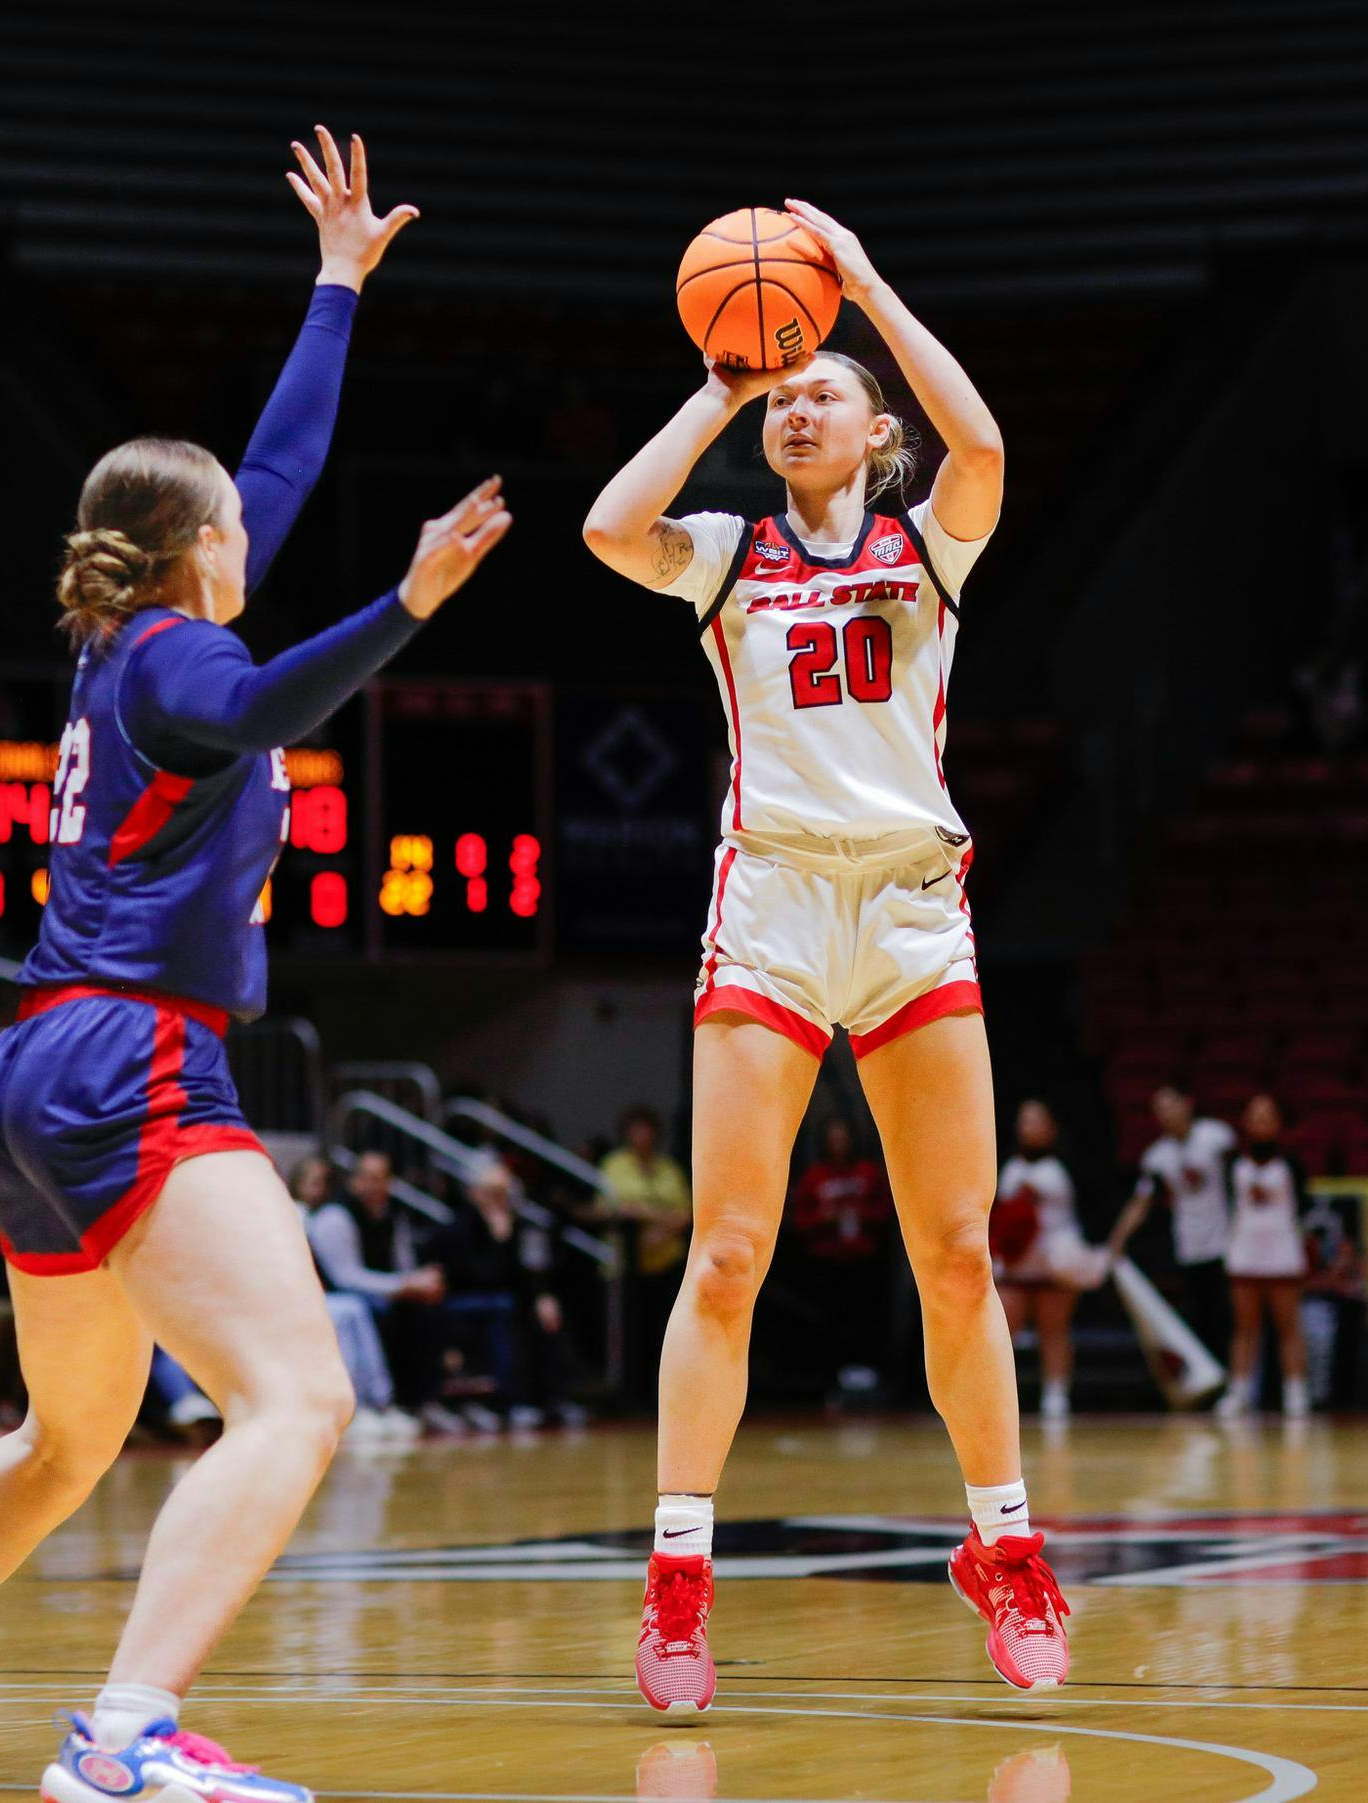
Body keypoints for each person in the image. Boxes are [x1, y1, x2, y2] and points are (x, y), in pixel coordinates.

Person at [0, 128, 504, 1799]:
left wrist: (334, 286)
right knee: (297, 1400)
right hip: (128, 1058)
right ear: (193, 551)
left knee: (66, 1436)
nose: (266, 523)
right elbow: (261, 706)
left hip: (31, 1067)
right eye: (241, 523)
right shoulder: (181, 663)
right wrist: (408, 602)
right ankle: (125, 1736)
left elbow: (276, 468)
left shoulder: (127, 635)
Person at [583, 199, 1067, 1703]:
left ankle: (1005, 1548)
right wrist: (720, 379)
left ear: (873, 431)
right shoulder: (725, 552)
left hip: (914, 907)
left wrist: (862, 288)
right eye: (784, 396)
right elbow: (607, 526)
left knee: (953, 1255)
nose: (798, 407)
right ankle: (676, 1586)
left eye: (821, 393)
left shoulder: (930, 539)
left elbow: (983, 448)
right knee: (725, 1251)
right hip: (778, 906)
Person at [306, 1150, 450, 1421]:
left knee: (427, 1309)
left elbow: (403, 1263)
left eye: (380, 1178)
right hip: (334, 1298)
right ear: (354, 1181)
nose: (372, 1185)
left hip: (375, 1294)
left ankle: (421, 1402)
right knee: (364, 1312)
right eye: (366, 1178)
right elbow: (345, 1278)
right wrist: (403, 1285)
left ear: (390, 1182)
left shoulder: (393, 1214)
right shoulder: (335, 1217)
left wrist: (422, 1280)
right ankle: (372, 1403)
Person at [433, 1159, 569, 1429]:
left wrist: (544, 1297)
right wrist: (500, 1242)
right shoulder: (458, 1226)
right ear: (474, 1194)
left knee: (547, 1314)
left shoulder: (519, 1225)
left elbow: (531, 1271)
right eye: (491, 1192)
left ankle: (550, 1399)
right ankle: (503, 1400)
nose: (498, 1200)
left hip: (507, 1300)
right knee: (504, 1310)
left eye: (503, 1193)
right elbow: (476, 1277)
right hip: (464, 1301)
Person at [1108, 1085, 1237, 1360]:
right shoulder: (1158, 1156)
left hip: (1225, 1244)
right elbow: (1141, 1203)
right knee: (1199, 1319)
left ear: (1187, 1103)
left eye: (1170, 1106)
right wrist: (1117, 1242)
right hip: (1188, 1245)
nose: (1165, 1114)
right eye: (1159, 1110)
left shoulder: (1216, 1137)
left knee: (1228, 1317)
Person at [992, 1102, 1104, 1421]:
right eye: (1024, 1120)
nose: (1029, 1127)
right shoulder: (1011, 1168)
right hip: (1016, 1266)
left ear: (1052, 1129)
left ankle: (1056, 1395)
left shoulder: (1061, 1170)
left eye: (1036, 1121)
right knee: (1001, 1333)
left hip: (1055, 1265)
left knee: (1054, 1331)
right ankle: (998, 1398)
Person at [1216, 1095, 1312, 1419]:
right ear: (1245, 1122)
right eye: (1255, 1117)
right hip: (1244, 1251)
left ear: (1278, 1123)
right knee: (1245, 1328)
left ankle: (1296, 1391)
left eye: (1267, 1116)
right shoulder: (1233, 1165)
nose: (1261, 1123)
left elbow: (1304, 1208)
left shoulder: (1291, 1165)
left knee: (1288, 1327)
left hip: (1282, 1251)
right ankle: (1239, 1391)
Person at [787, 1117, 894, 1395]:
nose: (839, 1144)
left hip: (864, 1259)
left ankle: (868, 1375)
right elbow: (800, 1220)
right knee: (829, 1321)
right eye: (833, 1139)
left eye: (843, 1138)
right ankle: (830, 1378)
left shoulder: (868, 1172)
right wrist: (826, 1218)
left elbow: (887, 1212)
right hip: (826, 1260)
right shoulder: (815, 1176)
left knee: (866, 1316)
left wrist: (859, 1212)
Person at [594, 1106, 692, 1400]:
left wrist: (659, 1228)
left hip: (667, 1260)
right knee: (632, 1333)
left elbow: (686, 1211)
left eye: (646, 1129)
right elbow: (610, 1206)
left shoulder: (668, 1168)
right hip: (627, 1267)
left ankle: (665, 1395)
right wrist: (652, 1215)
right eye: (635, 1129)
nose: (642, 1135)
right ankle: (631, 1395)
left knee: (668, 1332)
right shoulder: (615, 1164)